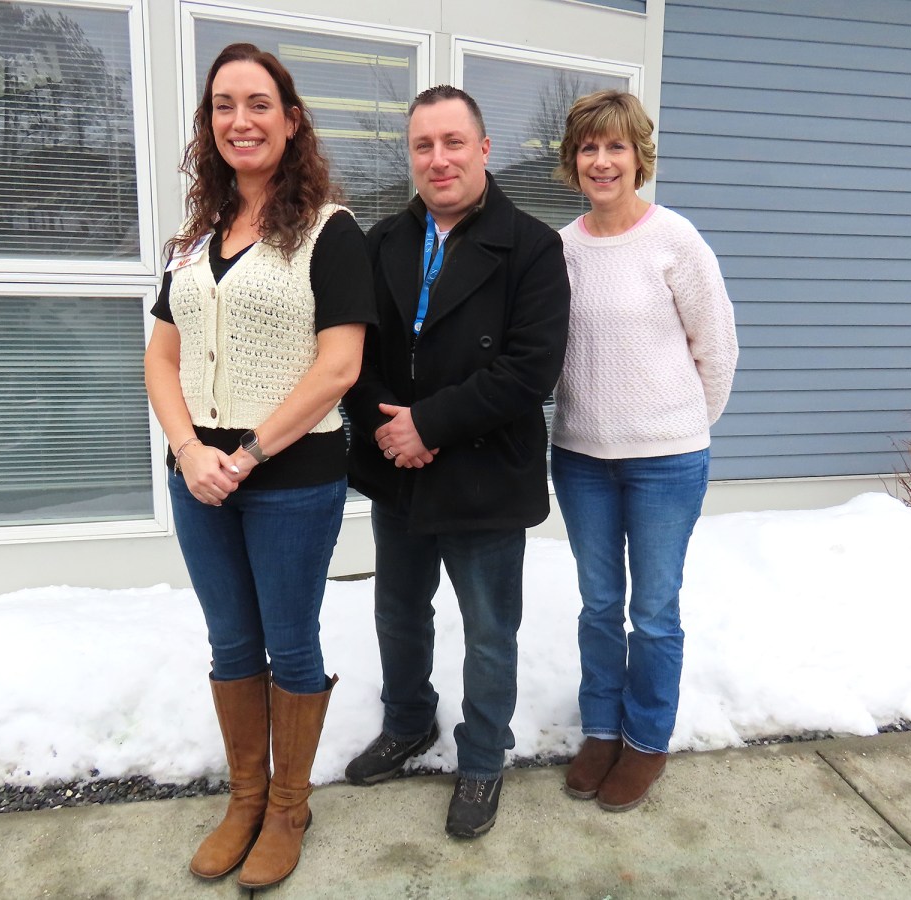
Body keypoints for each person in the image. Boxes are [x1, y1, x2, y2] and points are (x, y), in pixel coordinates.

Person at [143, 43, 375, 888]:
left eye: (258, 103)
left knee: (290, 642)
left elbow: (337, 369)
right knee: (231, 641)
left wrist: (244, 455)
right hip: (199, 476)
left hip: (290, 479)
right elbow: (159, 360)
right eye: (222, 106)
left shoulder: (329, 232)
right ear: (209, 125)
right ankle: (244, 798)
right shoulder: (195, 238)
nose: (240, 120)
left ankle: (288, 806)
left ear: (291, 118)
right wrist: (188, 451)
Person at [341, 85, 570, 838]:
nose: (438, 160)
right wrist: (386, 429)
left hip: (483, 471)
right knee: (399, 612)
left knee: (488, 629)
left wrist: (429, 424)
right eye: (423, 146)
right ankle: (408, 722)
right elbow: (354, 355)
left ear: (483, 150)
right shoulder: (382, 243)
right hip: (395, 468)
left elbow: (528, 370)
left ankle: (481, 760)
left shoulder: (534, 247)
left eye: (452, 143)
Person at [550, 90, 738, 812]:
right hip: (581, 458)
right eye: (590, 149)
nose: (603, 161)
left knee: (654, 609)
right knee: (600, 605)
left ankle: (646, 741)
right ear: (575, 162)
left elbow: (716, 349)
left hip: (667, 461)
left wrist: (680, 425)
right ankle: (602, 729)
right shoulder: (561, 249)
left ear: (638, 158)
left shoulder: (675, 241)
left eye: (616, 148)